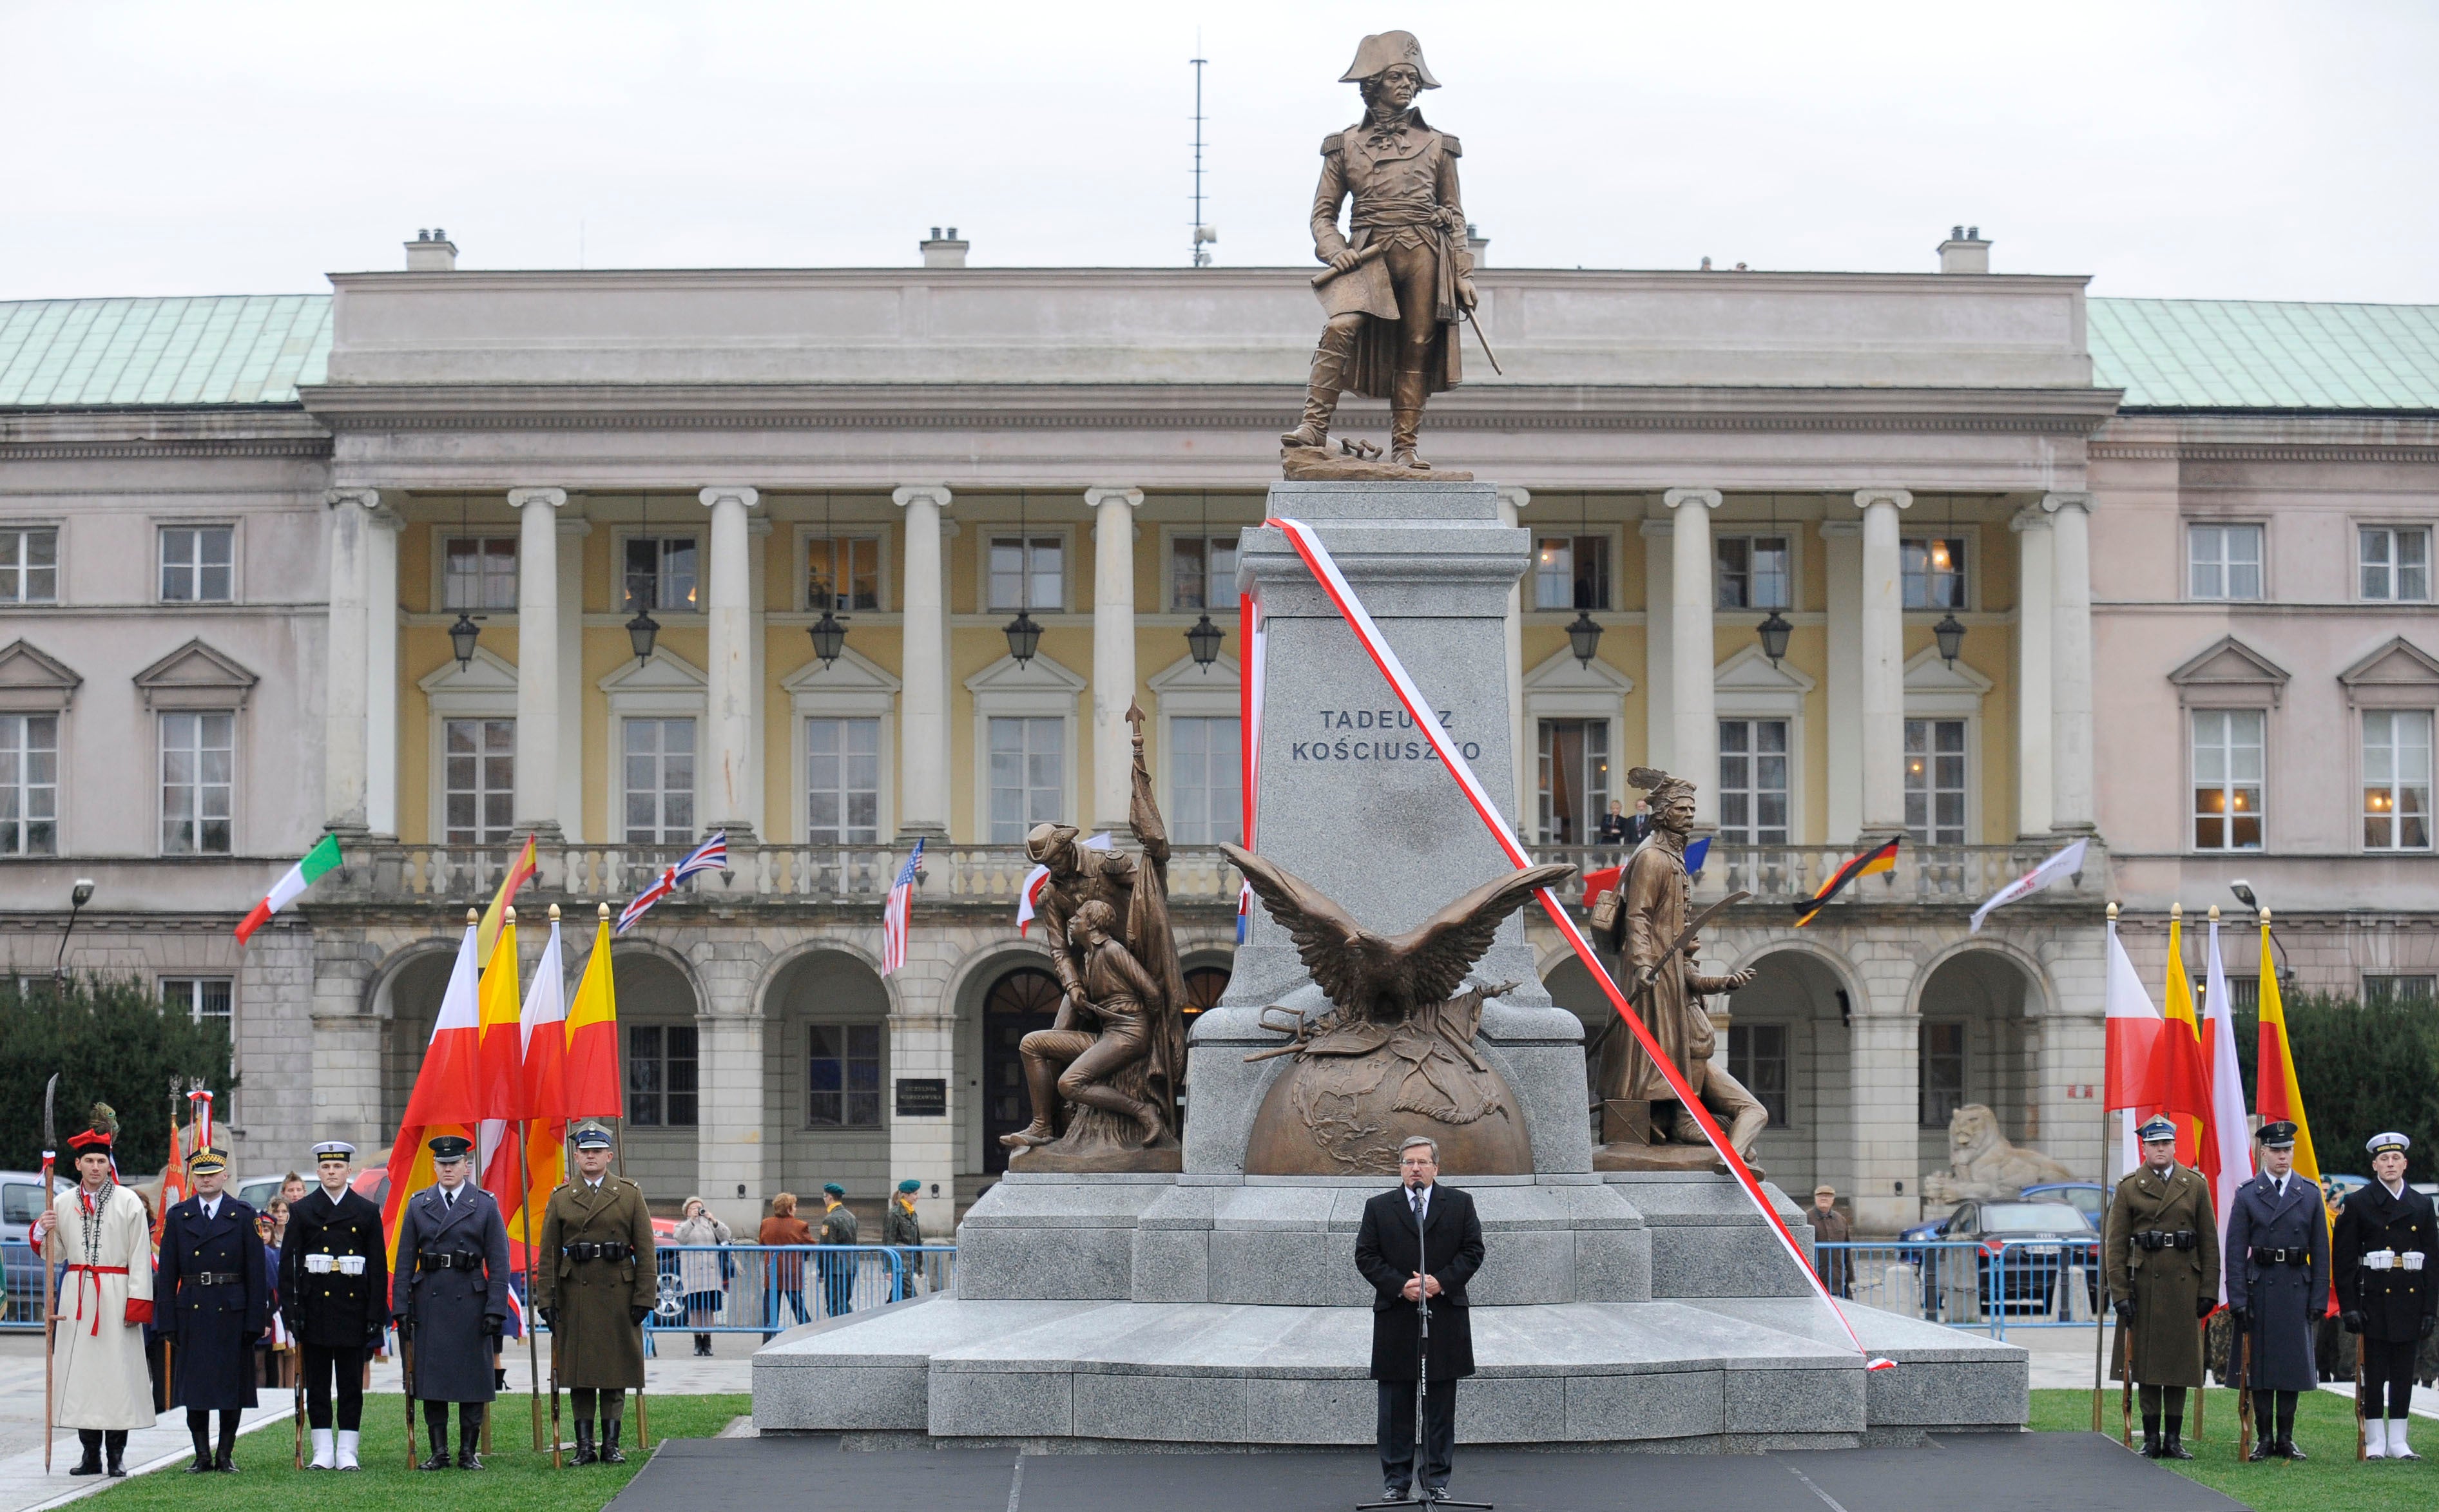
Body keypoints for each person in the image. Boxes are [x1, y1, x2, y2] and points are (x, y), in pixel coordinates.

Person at [1283, 30, 1476, 470]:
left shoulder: (1439, 145)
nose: (1407, 84)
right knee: (1340, 328)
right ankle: (1313, 426)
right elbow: (1322, 215)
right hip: (1367, 253)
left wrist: (1463, 274)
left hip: (1423, 251)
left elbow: (1454, 211)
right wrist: (1335, 251)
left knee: (1417, 345)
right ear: (1372, 83)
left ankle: (1405, 448)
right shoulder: (1344, 144)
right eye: (1397, 77)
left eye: (1412, 78)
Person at [1354, 1136, 1484, 1503]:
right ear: (1400, 1168)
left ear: (1436, 1168)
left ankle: (1436, 1480)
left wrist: (1441, 1281)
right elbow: (1366, 1256)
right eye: (1409, 1162)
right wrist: (1401, 1286)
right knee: (1395, 1405)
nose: (1416, 1168)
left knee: (1440, 1404)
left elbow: (1473, 1251)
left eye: (1423, 1162)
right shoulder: (1379, 1207)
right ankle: (1396, 1482)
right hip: (1397, 1316)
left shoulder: (1459, 1204)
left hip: (1443, 1317)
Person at [34, 1105, 154, 1478]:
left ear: (109, 1164)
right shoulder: (62, 1203)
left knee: (116, 1377)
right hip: (78, 1298)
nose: (96, 1167)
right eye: (90, 1160)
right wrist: (44, 1228)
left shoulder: (129, 1202)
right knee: (83, 1377)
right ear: (79, 1165)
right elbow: (56, 1255)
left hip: (117, 1296)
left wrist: (138, 1303)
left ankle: (116, 1456)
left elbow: (139, 1254)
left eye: (102, 1160)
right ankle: (90, 1455)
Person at [535, 1122, 655, 1467]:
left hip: (618, 1292)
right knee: (580, 1372)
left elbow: (645, 1250)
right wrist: (547, 1300)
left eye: (597, 1152)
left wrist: (644, 1297)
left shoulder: (630, 1193)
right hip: (577, 1293)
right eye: (585, 1152)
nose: (590, 1157)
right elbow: (549, 1254)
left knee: (615, 1372)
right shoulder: (561, 1198)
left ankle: (611, 1444)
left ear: (609, 1155)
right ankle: (585, 1445)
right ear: (576, 1156)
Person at [2103, 1115, 2219, 1460]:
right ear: (2144, 1147)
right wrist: (2120, 1294)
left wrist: (2209, 1289)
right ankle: (2151, 1437)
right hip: (2145, 1286)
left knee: (2180, 1364)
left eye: (2166, 1143)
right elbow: (2115, 1246)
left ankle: (2174, 1438)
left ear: (2174, 1146)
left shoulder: (2195, 1184)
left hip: (2185, 1284)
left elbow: (2209, 1242)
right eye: (2154, 1144)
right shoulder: (2129, 1187)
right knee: (2148, 1365)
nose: (2161, 1149)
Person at [390, 1134, 509, 1471]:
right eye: (442, 1164)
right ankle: (439, 1451)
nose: (448, 1169)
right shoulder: (418, 1204)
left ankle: (467, 1452)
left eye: (454, 1163)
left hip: (471, 1301)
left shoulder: (485, 1204)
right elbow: (404, 1260)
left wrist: (495, 1309)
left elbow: (498, 1261)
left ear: (466, 1166)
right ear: (434, 1166)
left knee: (472, 1379)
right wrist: (401, 1305)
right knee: (431, 1379)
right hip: (430, 1298)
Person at [157, 1145, 271, 1473]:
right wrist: (167, 1319)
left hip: (231, 1309)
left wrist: (255, 1318)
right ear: (194, 1178)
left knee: (230, 1386)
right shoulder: (179, 1216)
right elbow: (167, 1274)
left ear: (226, 1175)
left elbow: (256, 1273)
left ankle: (225, 1453)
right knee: (196, 1387)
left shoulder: (244, 1215)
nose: (206, 1181)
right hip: (192, 1309)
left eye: (212, 1174)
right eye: (201, 1175)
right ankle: (202, 1454)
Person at [2226, 1120, 2329, 1461]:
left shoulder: (2309, 1193)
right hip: (2261, 1288)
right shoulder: (2247, 1194)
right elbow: (2236, 1251)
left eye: (2288, 1151)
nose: (2283, 1157)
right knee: (2260, 1367)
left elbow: (2321, 1250)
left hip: (2297, 1286)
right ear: (2264, 1152)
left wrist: (2319, 1298)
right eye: (2277, 1151)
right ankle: (2264, 1437)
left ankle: (2286, 1437)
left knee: (2291, 1367)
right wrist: (2238, 1297)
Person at [282, 1140, 387, 1471]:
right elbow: (289, 1266)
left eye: (338, 1166)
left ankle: (348, 1450)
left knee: (350, 1383)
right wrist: (292, 1312)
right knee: (317, 1382)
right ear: (318, 1171)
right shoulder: (302, 1210)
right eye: (326, 1167)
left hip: (353, 1309)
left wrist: (375, 1315)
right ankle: (323, 1449)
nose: (332, 1172)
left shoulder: (366, 1211)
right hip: (315, 1310)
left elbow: (378, 1267)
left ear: (349, 1170)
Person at [2335, 1131, 2436, 1460]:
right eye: (2383, 1159)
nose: (2390, 1164)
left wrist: (2430, 1310)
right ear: (2374, 1164)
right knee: (2375, 1372)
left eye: (2396, 1159)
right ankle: (2376, 1440)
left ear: (2405, 1164)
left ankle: (2399, 1441)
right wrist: (2349, 1306)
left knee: (2405, 1371)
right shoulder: (2359, 1202)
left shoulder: (2421, 1205)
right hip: (2374, 1299)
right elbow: (2345, 1259)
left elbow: (2432, 1260)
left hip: (2410, 1298)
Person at [671, 1196, 732, 1357]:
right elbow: (679, 1238)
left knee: (708, 1310)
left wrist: (713, 1220)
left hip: (711, 1275)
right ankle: (698, 1342)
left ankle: (708, 1342)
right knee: (695, 1310)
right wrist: (692, 1220)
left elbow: (726, 1235)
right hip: (693, 1275)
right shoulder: (683, 1225)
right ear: (687, 1211)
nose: (698, 1210)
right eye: (694, 1208)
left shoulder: (710, 1225)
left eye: (700, 1207)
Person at [758, 1193, 813, 1337]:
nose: (795, 1209)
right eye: (794, 1206)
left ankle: (768, 1339)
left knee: (770, 1309)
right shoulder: (800, 1226)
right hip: (792, 1271)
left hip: (772, 1271)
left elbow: (762, 1243)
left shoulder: (766, 1223)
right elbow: (810, 1246)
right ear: (789, 1209)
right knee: (797, 1305)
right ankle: (807, 1335)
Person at [816, 1183, 859, 1317]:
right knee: (844, 1301)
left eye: (825, 1196)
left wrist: (822, 1271)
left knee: (835, 1305)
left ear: (829, 1197)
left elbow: (826, 1247)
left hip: (835, 1268)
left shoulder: (830, 1219)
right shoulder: (851, 1216)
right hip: (850, 1265)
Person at [883, 1180, 924, 1301]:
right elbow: (888, 1241)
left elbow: (916, 1241)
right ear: (906, 1195)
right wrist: (889, 1268)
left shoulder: (912, 1213)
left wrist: (919, 1267)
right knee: (911, 1295)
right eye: (915, 1194)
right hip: (899, 1262)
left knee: (896, 1295)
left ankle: (884, 1318)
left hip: (909, 1262)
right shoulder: (894, 1214)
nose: (918, 1197)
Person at [1808, 1187, 1852, 1298]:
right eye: (1821, 1195)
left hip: (1836, 1278)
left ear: (1833, 1199)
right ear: (1815, 1198)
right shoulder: (1806, 1218)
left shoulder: (1840, 1219)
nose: (1824, 1198)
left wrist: (1850, 1278)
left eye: (1828, 1196)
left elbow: (1847, 1250)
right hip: (1814, 1277)